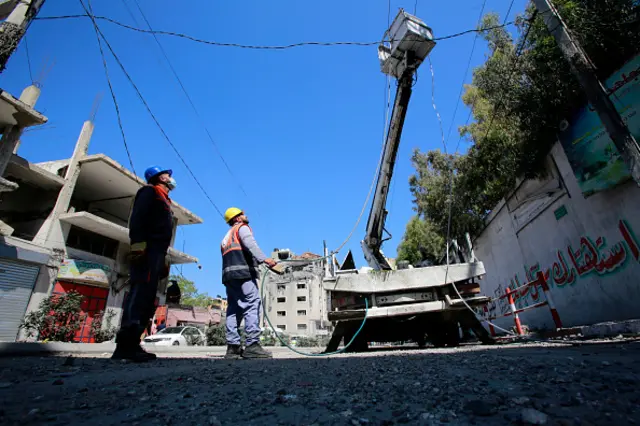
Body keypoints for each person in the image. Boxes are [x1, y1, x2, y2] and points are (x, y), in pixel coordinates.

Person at [111, 165, 177, 362]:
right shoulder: (149, 192)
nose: (170, 177)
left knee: (148, 297)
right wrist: (139, 247)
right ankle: (125, 345)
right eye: (167, 174)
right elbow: (138, 219)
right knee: (140, 293)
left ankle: (133, 344)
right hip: (147, 250)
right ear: (159, 178)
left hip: (157, 252)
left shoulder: (164, 199)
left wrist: (163, 258)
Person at [221, 207, 277, 359]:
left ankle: (232, 348)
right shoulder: (242, 228)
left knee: (233, 309)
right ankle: (252, 345)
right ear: (237, 218)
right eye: (242, 214)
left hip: (229, 276)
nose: (245, 216)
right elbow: (250, 244)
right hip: (243, 274)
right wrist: (264, 259)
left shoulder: (226, 236)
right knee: (252, 304)